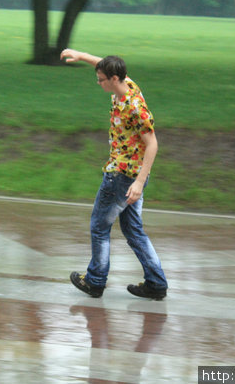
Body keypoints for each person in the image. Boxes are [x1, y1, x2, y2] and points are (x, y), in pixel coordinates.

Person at [60, 48, 168, 300]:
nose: (98, 83)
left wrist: (140, 183)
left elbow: (153, 143)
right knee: (133, 230)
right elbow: (103, 63)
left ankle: (95, 280)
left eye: (101, 80)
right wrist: (81, 55)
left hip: (122, 176)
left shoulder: (134, 106)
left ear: (114, 79)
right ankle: (156, 283)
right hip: (130, 176)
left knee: (99, 226)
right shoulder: (125, 82)